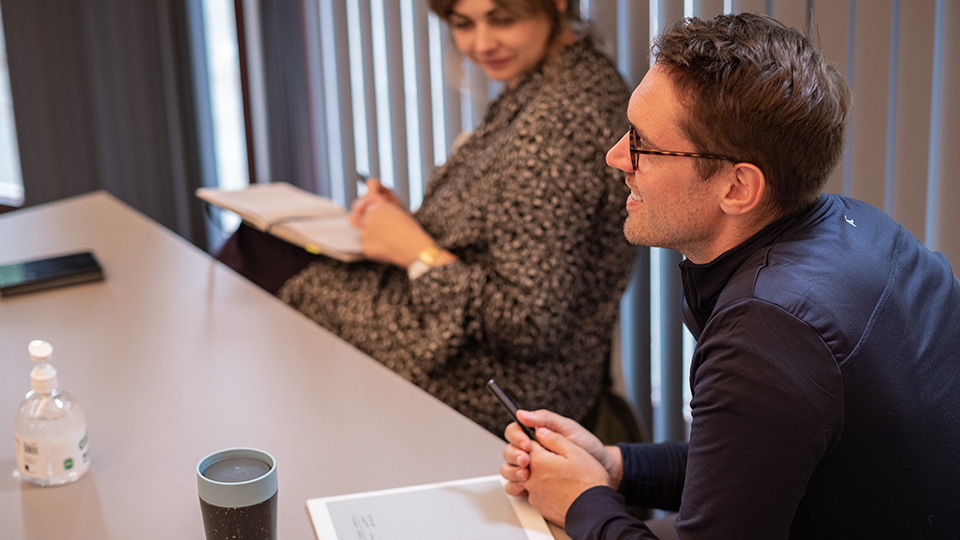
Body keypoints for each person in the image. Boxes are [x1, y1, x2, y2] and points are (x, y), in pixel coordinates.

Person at [499, 12, 960, 539]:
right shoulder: (861, 228)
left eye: (643, 144)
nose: (616, 157)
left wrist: (582, 500)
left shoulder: (768, 331)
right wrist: (614, 464)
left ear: (738, 188)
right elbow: (749, 464)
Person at [217, 0, 634, 435]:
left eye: (502, 20)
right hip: (487, 342)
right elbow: (510, 227)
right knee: (269, 246)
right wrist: (408, 224)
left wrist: (418, 250)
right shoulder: (567, 77)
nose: (481, 44)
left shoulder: (558, 123)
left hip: (489, 378)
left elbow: (528, 322)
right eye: (463, 24)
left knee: (258, 251)